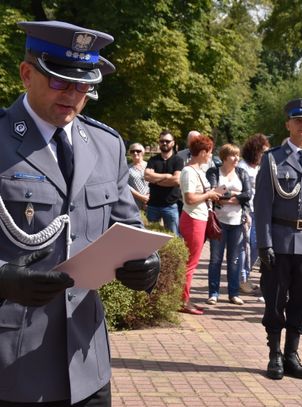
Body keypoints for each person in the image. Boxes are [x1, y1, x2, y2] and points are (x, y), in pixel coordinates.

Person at [0, 20, 160, 406]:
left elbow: (127, 225)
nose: (73, 95)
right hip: (11, 363)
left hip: (85, 363)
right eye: (59, 81)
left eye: (84, 85)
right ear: (26, 74)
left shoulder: (105, 145)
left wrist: (147, 263)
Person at [254, 98, 302, 380]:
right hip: (279, 238)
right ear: (288, 124)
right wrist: (264, 243)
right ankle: (274, 353)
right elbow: (262, 205)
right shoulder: (273, 159)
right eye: (299, 120)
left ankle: (291, 353)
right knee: (275, 299)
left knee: (300, 300)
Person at [179, 135, 221, 315]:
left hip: (199, 218)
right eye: (210, 152)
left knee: (192, 262)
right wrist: (209, 195)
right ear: (203, 152)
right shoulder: (189, 171)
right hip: (193, 218)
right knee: (190, 263)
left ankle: (185, 298)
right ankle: (183, 301)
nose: (210, 156)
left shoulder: (197, 170)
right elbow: (190, 198)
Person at [206, 143, 252, 306]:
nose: (236, 159)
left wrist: (231, 197)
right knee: (215, 259)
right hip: (219, 222)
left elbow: (248, 194)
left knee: (234, 260)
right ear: (225, 157)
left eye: (238, 155)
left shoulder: (241, 173)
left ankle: (233, 293)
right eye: (233, 155)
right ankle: (213, 293)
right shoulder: (214, 172)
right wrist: (234, 196)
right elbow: (213, 192)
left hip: (237, 222)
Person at [237, 133, 270, 295]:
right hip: (247, 210)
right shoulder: (242, 167)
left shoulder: (259, 167)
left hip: (259, 209)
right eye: (262, 151)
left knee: (256, 245)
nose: (264, 155)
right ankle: (241, 279)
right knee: (246, 245)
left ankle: (245, 276)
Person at [144, 130, 182, 235]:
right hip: (153, 205)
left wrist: (155, 180)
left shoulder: (178, 160)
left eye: (167, 141)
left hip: (170, 205)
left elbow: (176, 180)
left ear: (173, 143)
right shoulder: (153, 160)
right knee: (149, 237)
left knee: (172, 237)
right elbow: (147, 176)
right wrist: (166, 176)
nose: (164, 143)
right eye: (162, 141)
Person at [127, 142, 150, 210]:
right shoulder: (127, 168)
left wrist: (148, 198)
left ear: (142, 152)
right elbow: (126, 186)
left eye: (138, 151)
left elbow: (155, 182)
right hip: (134, 203)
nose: (135, 153)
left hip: (151, 202)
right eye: (132, 151)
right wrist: (142, 197)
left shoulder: (150, 165)